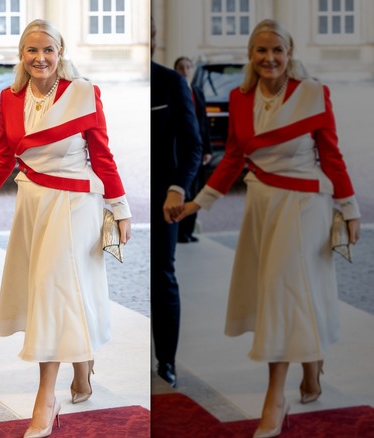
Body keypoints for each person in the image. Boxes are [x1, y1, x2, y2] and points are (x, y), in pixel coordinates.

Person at [0, 19, 131, 437]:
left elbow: (102, 156)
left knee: (53, 291)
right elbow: (2, 159)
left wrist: (120, 209)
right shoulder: (9, 98)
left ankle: (46, 398)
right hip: (33, 204)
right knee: (61, 292)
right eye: (32, 50)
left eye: (48, 49)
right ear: (21, 55)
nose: (40, 57)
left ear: (60, 53)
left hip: (75, 204)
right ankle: (83, 366)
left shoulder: (84, 93)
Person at [176, 19, 361, 438]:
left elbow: (332, 156)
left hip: (304, 206)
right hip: (262, 206)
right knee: (292, 293)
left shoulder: (313, 94)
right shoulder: (241, 99)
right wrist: (195, 204)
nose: (269, 58)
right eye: (261, 50)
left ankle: (274, 397)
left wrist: (349, 210)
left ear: (289, 52)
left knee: (282, 294)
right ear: (250, 56)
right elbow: (232, 160)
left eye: (277, 49)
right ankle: (312, 367)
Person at [150, 18, 203, 389]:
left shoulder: (172, 82)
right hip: (111, 199)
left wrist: (177, 188)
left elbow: (193, 145)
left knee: (161, 276)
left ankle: (166, 361)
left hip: (160, 200)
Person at [173, 56, 212, 243]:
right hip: (181, 150)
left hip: (198, 149)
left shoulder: (197, 91)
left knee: (196, 191)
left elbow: (203, 122)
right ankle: (179, 232)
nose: (185, 71)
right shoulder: (172, 91)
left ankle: (188, 231)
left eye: (188, 67)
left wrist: (208, 149)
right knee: (183, 189)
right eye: (181, 67)